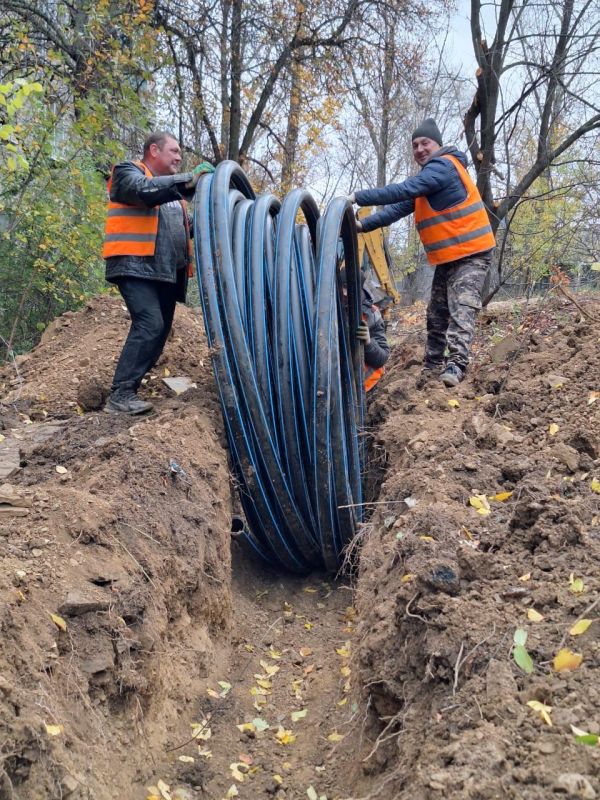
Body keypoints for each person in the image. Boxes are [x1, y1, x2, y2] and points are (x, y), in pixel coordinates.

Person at [349, 118, 495, 387]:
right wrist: (360, 226)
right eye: (414, 145)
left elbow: (404, 189)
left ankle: (456, 366)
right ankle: (431, 368)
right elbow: (396, 209)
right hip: (450, 257)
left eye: (424, 142)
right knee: (436, 313)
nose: (419, 149)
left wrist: (358, 197)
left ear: (437, 144)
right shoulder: (427, 182)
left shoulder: (444, 166)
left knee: (461, 308)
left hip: (472, 254)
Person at [102, 131, 214, 414]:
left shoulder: (175, 198)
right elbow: (142, 191)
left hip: (165, 273)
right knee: (150, 324)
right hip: (135, 266)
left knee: (159, 331)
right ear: (154, 150)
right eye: (174, 151)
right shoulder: (127, 173)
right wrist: (187, 180)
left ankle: (128, 391)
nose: (179, 157)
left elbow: (186, 227)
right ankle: (120, 394)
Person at [340, 268, 390, 392]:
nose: (345, 293)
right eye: (342, 287)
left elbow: (382, 358)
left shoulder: (371, 314)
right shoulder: (327, 309)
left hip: (366, 387)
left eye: (348, 288)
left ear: (358, 289)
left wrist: (368, 342)